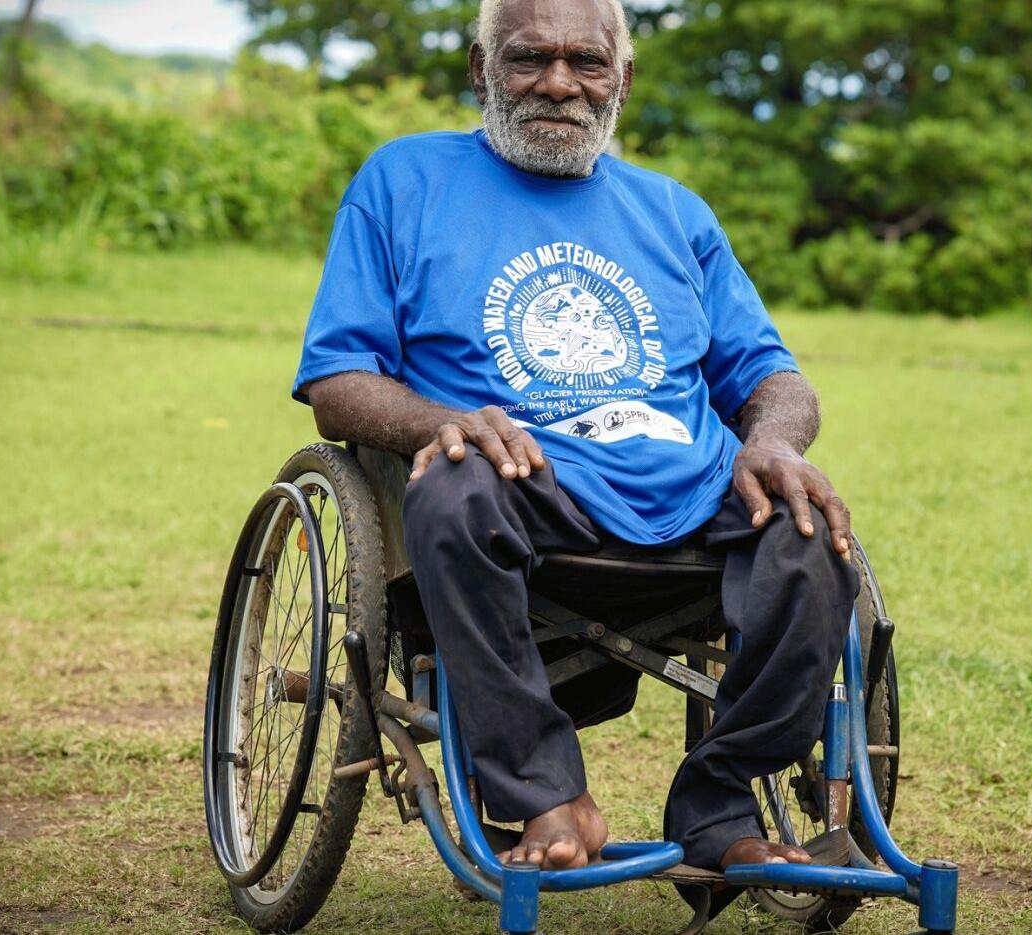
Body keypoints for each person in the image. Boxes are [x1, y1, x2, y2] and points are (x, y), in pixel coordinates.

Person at [291, 0, 859, 875]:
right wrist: (440, 420)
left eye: (587, 63)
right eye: (529, 59)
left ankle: (719, 799)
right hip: (518, 490)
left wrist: (775, 444)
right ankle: (545, 795)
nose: (560, 84)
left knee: (813, 533)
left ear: (621, 82)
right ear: (482, 71)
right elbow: (336, 380)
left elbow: (774, 378)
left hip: (692, 496)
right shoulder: (404, 181)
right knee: (453, 479)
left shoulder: (674, 213)